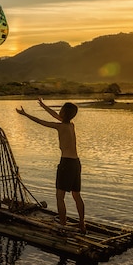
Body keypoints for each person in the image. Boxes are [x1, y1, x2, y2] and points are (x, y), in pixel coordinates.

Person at [16, 98, 86, 233]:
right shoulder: (71, 125)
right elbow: (55, 115)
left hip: (66, 163)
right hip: (76, 163)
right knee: (76, 195)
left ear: (64, 114)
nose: (59, 113)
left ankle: (63, 225)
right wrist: (43, 106)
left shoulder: (60, 126)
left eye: (61, 111)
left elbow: (41, 122)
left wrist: (25, 115)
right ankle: (82, 224)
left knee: (60, 196)